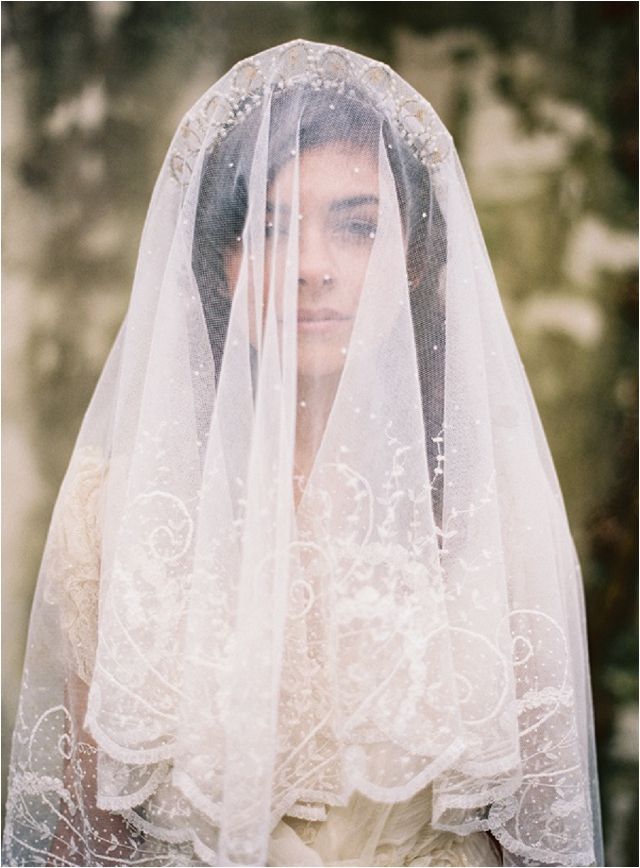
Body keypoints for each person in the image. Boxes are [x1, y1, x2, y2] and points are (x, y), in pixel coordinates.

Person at [2, 40, 602, 867]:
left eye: (356, 227)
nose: (312, 269)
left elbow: (542, 837)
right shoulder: (117, 513)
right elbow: (90, 841)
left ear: (418, 259)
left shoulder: (487, 511)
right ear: (221, 260)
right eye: (269, 229)